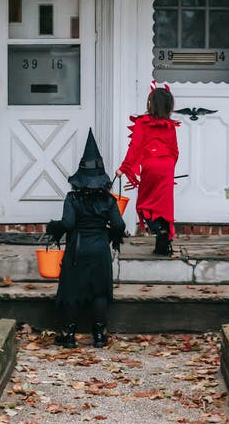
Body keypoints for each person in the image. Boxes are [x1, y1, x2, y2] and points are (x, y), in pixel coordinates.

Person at [46, 129, 125, 349]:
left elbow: (68, 224)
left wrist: (54, 228)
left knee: (72, 290)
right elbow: (119, 225)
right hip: (99, 247)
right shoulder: (108, 200)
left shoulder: (72, 198)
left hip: (77, 248)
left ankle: (69, 335)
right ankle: (99, 336)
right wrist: (109, 236)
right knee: (99, 290)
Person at [116, 82, 179, 256]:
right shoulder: (170, 126)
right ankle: (165, 243)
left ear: (150, 104)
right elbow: (175, 151)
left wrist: (124, 168)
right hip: (167, 167)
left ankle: (159, 230)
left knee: (145, 203)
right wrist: (169, 168)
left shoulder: (142, 123)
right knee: (165, 206)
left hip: (151, 166)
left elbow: (134, 148)